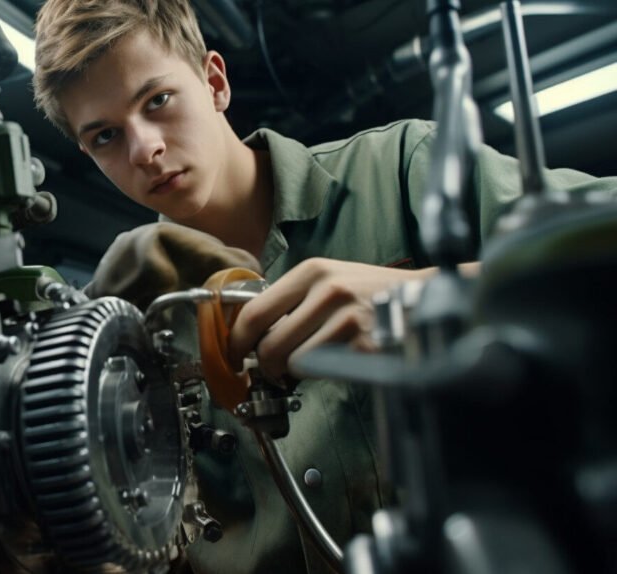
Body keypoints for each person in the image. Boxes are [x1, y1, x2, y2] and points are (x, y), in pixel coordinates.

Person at [31, 1, 617, 572]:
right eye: (105, 136)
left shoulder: (402, 168)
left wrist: (425, 300)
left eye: (157, 101)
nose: (145, 149)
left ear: (214, 82)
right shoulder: (126, 332)